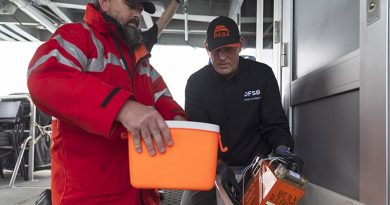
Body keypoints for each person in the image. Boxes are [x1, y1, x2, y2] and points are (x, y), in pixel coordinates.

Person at [27, 0, 186, 205]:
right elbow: (43, 78)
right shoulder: (77, 36)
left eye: (140, 8)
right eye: (131, 5)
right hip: (88, 197)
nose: (137, 13)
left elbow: (161, 97)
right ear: (105, 2)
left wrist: (179, 119)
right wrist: (122, 107)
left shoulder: (139, 58)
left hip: (143, 196)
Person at [181, 16, 295, 205]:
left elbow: (275, 124)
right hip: (211, 167)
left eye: (229, 49)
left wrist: (283, 149)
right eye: (216, 50)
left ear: (240, 44)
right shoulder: (196, 83)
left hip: (255, 167)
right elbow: (198, 138)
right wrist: (216, 165)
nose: (222, 56)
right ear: (206, 48)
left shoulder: (262, 75)